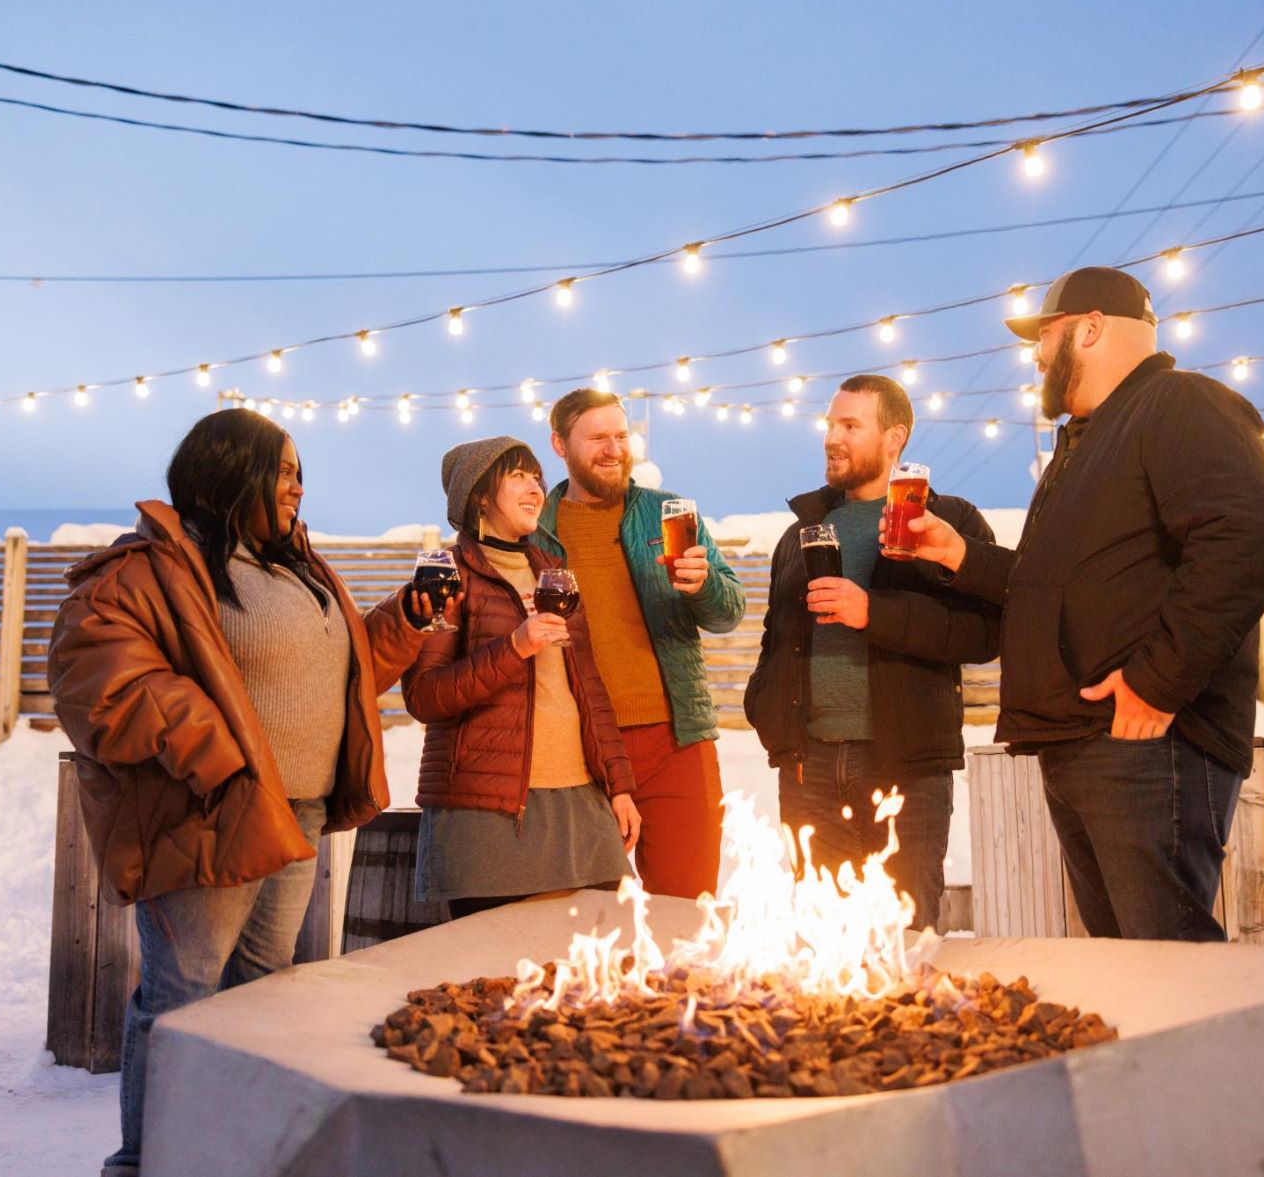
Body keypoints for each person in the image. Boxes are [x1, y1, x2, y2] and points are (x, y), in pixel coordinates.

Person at [47, 408, 441, 1177]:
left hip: (297, 814)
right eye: (283, 470)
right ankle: (149, 1160)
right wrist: (213, 753)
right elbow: (95, 677)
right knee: (183, 996)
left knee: (262, 994)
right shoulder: (153, 568)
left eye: (300, 472)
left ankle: (234, 1152)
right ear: (232, 472)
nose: (298, 487)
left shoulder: (294, 566)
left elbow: (342, 667)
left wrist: (408, 617)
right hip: (212, 811)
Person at [889, 267, 1264, 942]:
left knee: (1168, 966)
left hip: (1147, 743)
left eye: (1044, 336)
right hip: (1081, 743)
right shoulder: (1082, 446)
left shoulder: (1178, 403)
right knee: (1125, 964)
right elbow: (1051, 586)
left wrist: (1157, 683)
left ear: (1092, 327)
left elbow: (1249, 535)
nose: (1037, 355)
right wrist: (960, 553)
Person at [744, 375, 1000, 928]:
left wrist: (873, 614)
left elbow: (986, 635)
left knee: (907, 940)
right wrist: (767, 716)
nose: (832, 437)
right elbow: (774, 638)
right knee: (821, 941)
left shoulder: (947, 520)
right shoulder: (801, 532)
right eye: (830, 424)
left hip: (904, 770)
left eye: (850, 426)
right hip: (809, 770)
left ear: (894, 437)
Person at [404, 436, 642, 917]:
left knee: (596, 963)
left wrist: (618, 785)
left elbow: (588, 690)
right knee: (498, 974)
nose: (536, 488)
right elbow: (425, 696)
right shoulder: (444, 573)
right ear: (480, 496)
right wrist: (514, 648)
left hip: (578, 797)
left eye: (537, 477)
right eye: (517, 476)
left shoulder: (553, 574)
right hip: (488, 811)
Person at [531, 389, 746, 899]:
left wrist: (703, 586)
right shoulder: (537, 528)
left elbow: (729, 610)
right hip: (581, 749)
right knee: (587, 917)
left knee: (690, 906)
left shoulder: (667, 513)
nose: (614, 449)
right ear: (559, 445)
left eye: (622, 436)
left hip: (678, 739)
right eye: (598, 437)